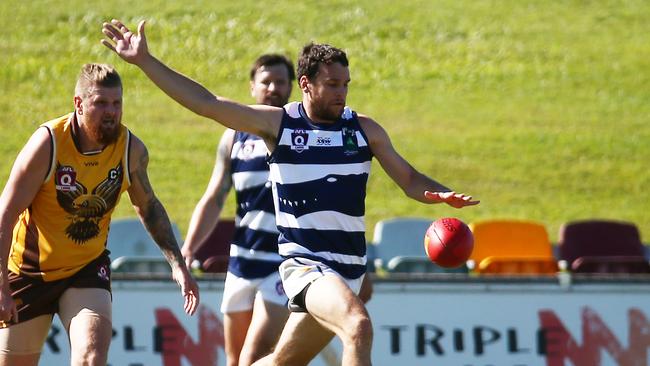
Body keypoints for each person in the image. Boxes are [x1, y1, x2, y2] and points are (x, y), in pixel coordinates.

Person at [102, 19, 479, 366]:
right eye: (332, 85)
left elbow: (410, 180)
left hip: (348, 269)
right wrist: (146, 62)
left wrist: (441, 194)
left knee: (280, 362)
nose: (342, 93)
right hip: (306, 267)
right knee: (358, 325)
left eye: (346, 84)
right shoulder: (279, 125)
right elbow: (208, 104)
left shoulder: (364, 130)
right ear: (306, 84)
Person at [0, 63, 199, 366]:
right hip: (29, 271)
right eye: (101, 103)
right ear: (79, 104)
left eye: (117, 103)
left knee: (92, 357)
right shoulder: (48, 145)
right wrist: (1, 284)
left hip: (85, 268)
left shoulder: (129, 149)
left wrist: (177, 265)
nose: (111, 112)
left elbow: (148, 207)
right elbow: (6, 214)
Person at [180, 54, 294, 366]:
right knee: (235, 360)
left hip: (282, 263)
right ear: (252, 87)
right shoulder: (234, 137)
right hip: (242, 262)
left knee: (257, 358)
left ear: (292, 87)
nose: (273, 88)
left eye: (280, 82)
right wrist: (189, 248)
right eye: (266, 81)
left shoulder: (299, 134)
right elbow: (215, 197)